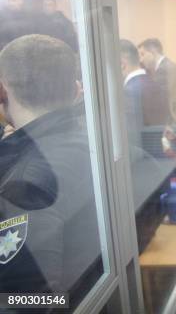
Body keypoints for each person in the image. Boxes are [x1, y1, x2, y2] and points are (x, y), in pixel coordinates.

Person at [0, 34, 102, 302]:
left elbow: (30, 300)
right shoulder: (96, 145)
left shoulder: (25, 182)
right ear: (75, 90)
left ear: (3, 89)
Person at [138, 38, 176, 125]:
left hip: (172, 124)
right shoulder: (171, 67)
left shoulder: (163, 71)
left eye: (142, 54)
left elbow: (159, 105)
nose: (141, 60)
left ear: (153, 52)